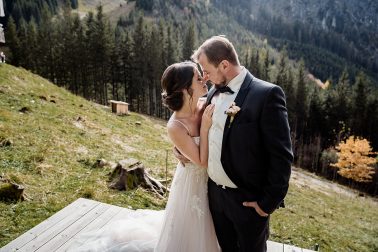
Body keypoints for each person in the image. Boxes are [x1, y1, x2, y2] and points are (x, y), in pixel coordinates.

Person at [69, 61, 220, 252]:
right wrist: (205, 128)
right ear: (185, 89)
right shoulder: (175, 126)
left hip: (212, 183)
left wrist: (204, 79)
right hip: (192, 184)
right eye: (198, 78)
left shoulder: (203, 104)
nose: (203, 79)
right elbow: (200, 161)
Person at [184, 35, 293, 252]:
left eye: (206, 70)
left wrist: (266, 204)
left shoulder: (267, 94)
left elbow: (281, 156)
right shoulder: (213, 91)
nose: (204, 77)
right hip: (215, 197)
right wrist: (181, 148)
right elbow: (195, 128)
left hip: (248, 204)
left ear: (224, 64)